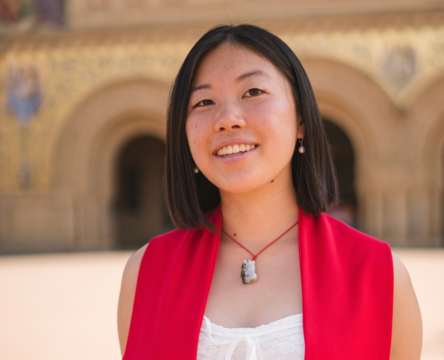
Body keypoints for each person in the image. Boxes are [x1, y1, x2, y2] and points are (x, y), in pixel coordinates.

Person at [117, 24, 422, 360]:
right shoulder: (145, 274)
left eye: (253, 92)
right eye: (203, 101)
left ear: (301, 119)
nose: (227, 119)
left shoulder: (379, 275)